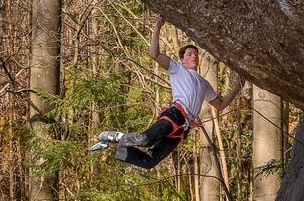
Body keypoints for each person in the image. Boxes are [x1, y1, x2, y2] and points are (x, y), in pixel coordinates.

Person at [89, 15, 243, 169]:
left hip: (184, 126)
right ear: (182, 59)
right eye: (189, 54)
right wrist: (157, 27)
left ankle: (109, 144)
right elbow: (154, 54)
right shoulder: (178, 68)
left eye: (196, 53)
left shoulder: (204, 84)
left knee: (149, 161)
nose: (194, 55)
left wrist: (236, 87)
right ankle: (117, 136)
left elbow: (221, 104)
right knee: (146, 139)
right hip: (175, 114)